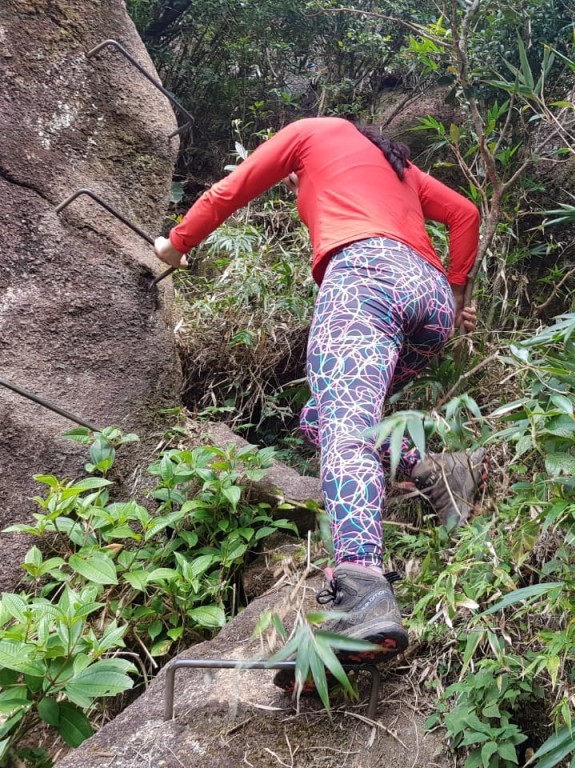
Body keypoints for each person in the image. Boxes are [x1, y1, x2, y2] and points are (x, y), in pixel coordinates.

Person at [154, 117, 487, 686]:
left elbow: (235, 186)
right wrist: (455, 294)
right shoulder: (397, 169)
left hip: (365, 279)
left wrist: (176, 243)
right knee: (322, 417)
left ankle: (361, 593)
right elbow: (465, 213)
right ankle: (435, 472)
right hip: (428, 299)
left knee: (345, 432)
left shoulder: (314, 132)